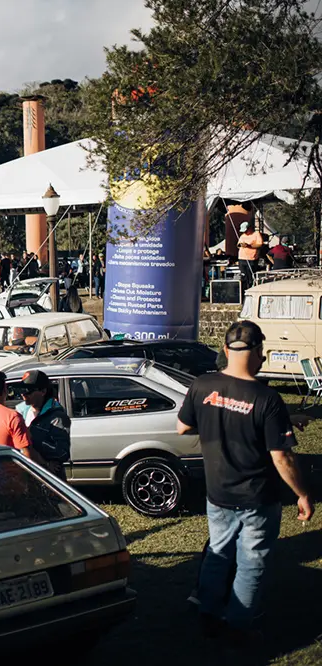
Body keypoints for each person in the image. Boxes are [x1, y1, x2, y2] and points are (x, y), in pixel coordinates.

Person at [177, 321, 313, 638]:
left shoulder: (202, 385)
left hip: (218, 494)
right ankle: (238, 624)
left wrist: (221, 422)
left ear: (225, 350)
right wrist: (302, 494)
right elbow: (282, 457)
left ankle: (208, 611)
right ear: (259, 353)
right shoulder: (267, 399)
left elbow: (183, 427)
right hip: (257, 499)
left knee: (218, 553)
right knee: (251, 563)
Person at [15, 369, 71, 479]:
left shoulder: (57, 416)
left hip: (49, 477)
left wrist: (32, 441)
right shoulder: (20, 411)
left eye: (28, 390)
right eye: (22, 390)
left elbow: (63, 453)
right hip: (27, 472)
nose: (23, 394)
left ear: (43, 391)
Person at [237, 221, 264, 288]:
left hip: (251, 259)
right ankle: (244, 288)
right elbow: (238, 245)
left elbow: (260, 245)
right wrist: (240, 245)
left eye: (246, 231)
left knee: (250, 275)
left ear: (249, 228)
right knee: (243, 275)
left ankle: (250, 287)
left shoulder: (256, 234)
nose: (244, 232)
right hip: (242, 258)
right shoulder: (242, 236)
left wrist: (249, 245)